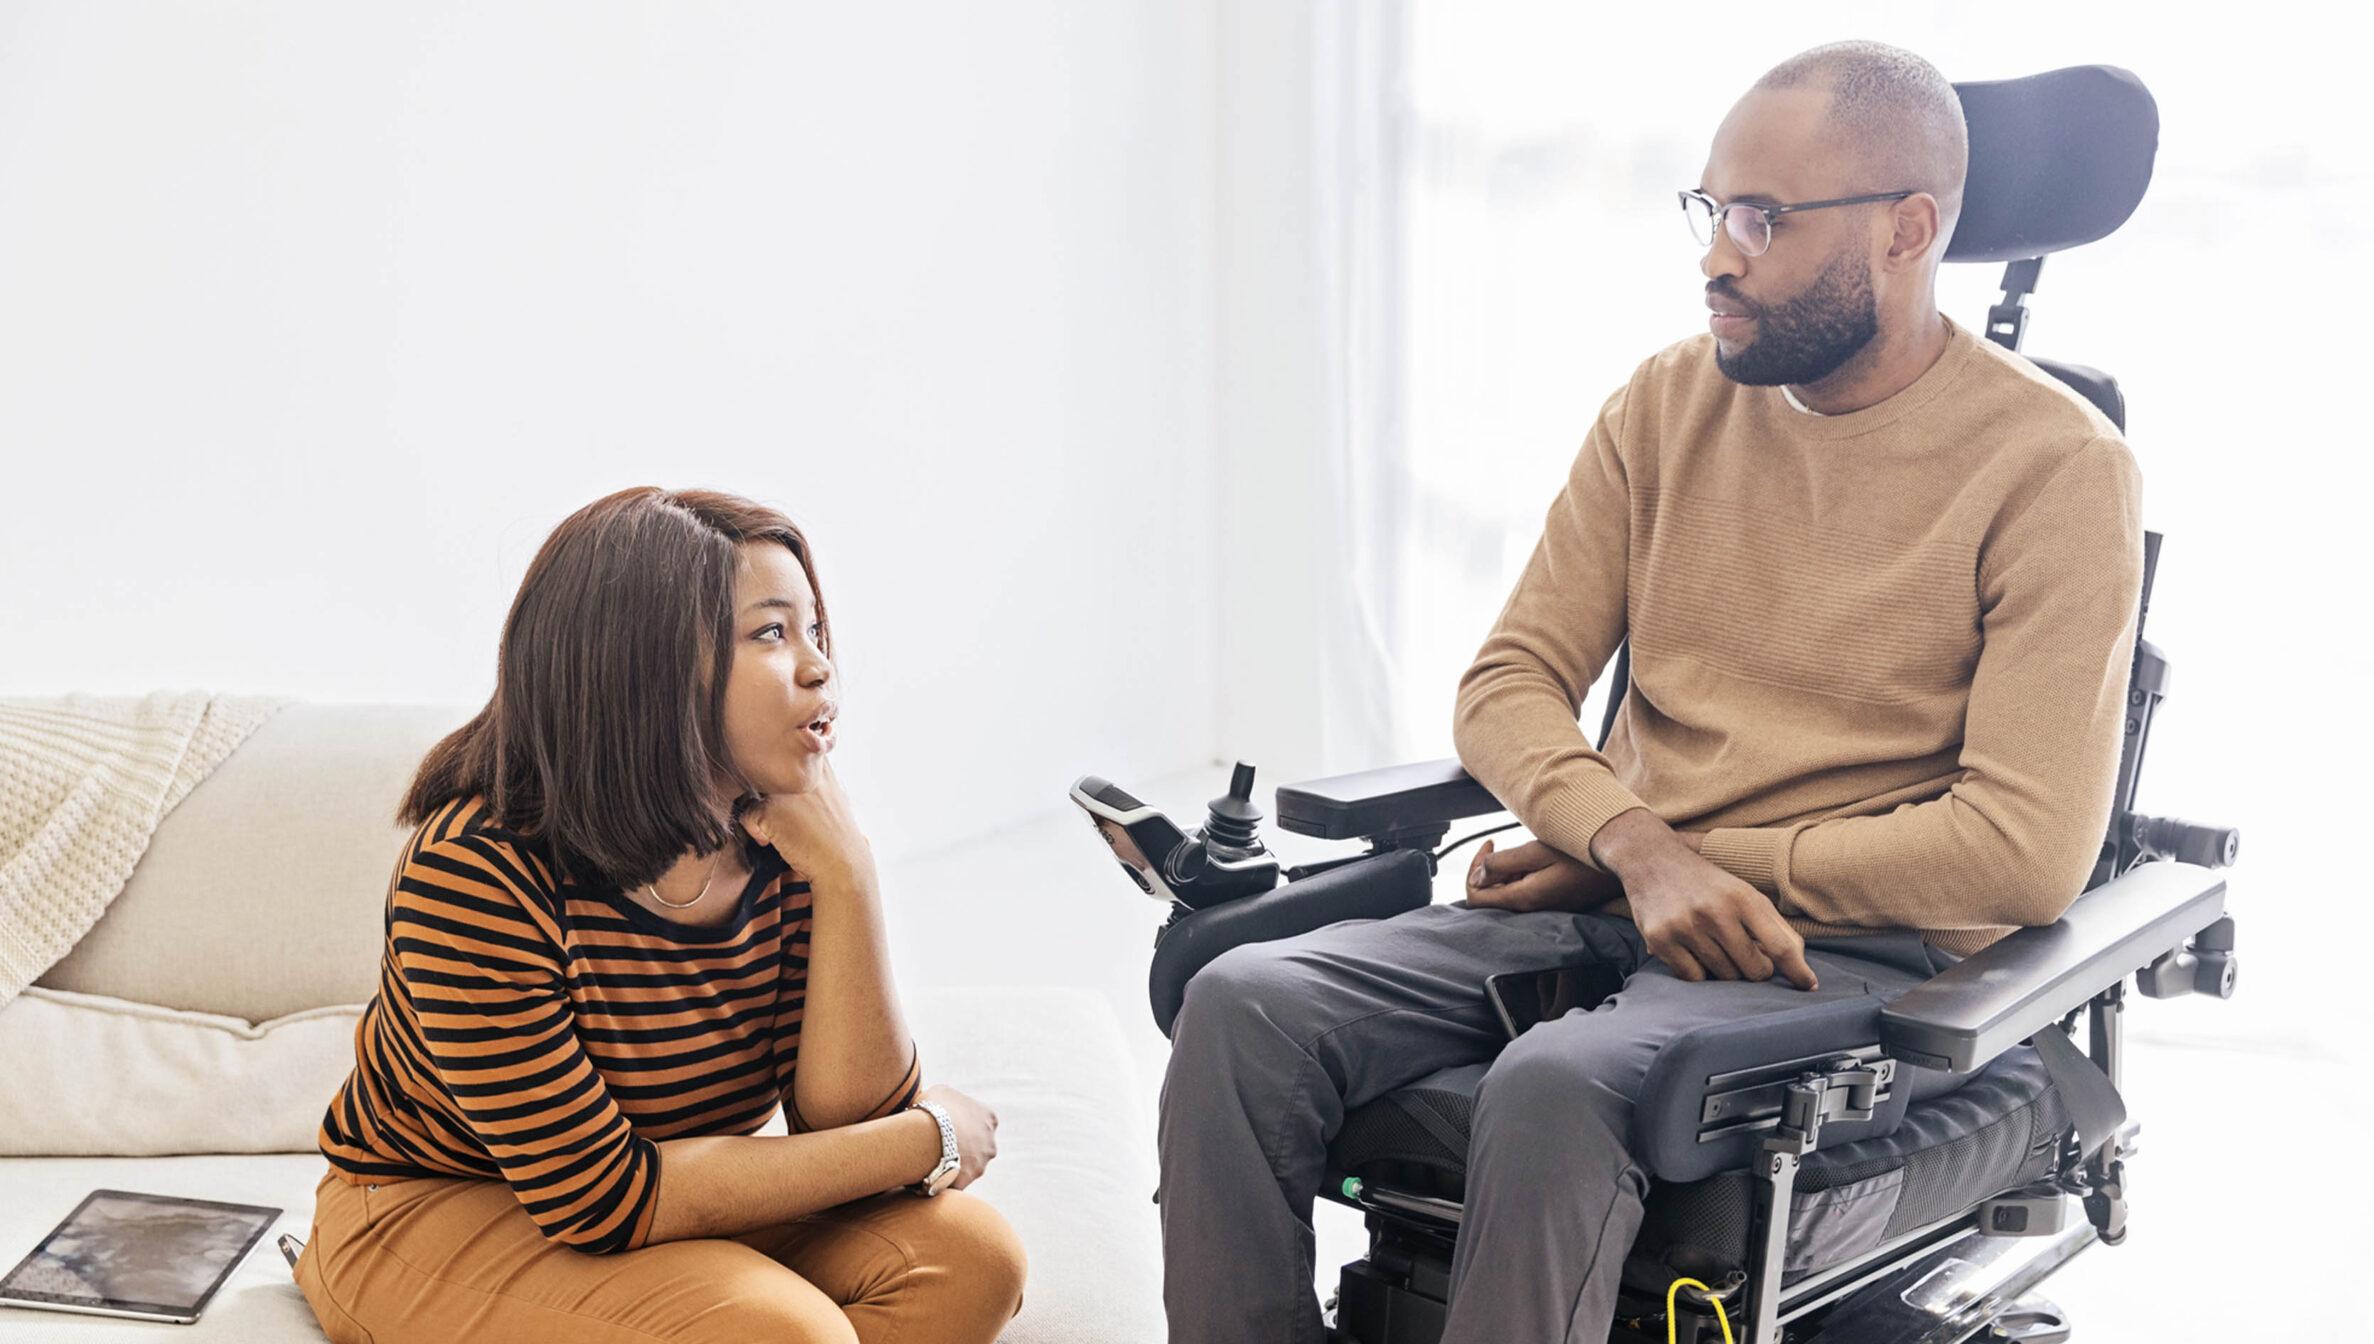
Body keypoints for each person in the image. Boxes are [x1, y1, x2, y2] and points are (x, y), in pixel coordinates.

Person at [1155, 39, 2145, 1344]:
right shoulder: (1671, 402)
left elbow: (2020, 855)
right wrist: (1627, 844)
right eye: (1712, 208)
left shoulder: (2056, 467)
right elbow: (1509, 680)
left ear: (1908, 232)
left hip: (1834, 958)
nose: (1717, 257)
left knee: (1563, 1089)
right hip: (1618, 887)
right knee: (1246, 1004)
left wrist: (1668, 860)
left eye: (1761, 218)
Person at [294, 487, 1028, 1343]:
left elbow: (849, 1130)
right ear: (650, 667)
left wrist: (850, 877)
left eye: (815, 631)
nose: (820, 666)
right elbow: (601, 1200)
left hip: (666, 1195)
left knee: (971, 1260)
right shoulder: (479, 868)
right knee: (780, 1334)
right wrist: (930, 1137)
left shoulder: (787, 832)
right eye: (771, 633)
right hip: (440, 1209)